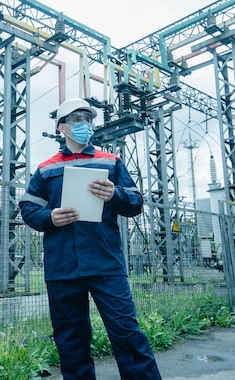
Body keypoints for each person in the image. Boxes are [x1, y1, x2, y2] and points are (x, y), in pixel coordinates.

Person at [19, 98, 162, 380]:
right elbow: (28, 208)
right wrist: (50, 218)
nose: (85, 124)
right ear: (62, 127)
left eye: (88, 118)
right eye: (77, 119)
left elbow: (135, 202)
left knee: (126, 331)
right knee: (70, 339)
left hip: (105, 263)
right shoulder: (46, 168)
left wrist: (115, 194)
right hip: (63, 266)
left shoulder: (111, 162)